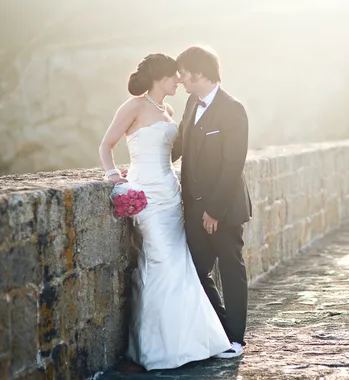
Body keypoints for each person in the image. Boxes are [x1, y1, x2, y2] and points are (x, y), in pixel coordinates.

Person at [98, 53, 230, 371]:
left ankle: (191, 340)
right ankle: (158, 348)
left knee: (179, 265)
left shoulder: (168, 110)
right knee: (161, 262)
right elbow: (106, 144)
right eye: (175, 76)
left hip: (170, 194)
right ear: (161, 78)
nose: (179, 81)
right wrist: (115, 176)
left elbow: (175, 152)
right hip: (146, 196)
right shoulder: (133, 106)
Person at [172, 46, 252, 359]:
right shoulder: (192, 102)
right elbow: (179, 144)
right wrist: (144, 164)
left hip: (224, 210)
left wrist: (214, 211)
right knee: (196, 270)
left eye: (184, 73)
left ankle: (235, 340)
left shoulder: (233, 109)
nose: (181, 79)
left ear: (201, 73)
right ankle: (218, 330)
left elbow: (233, 164)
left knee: (231, 270)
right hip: (193, 208)